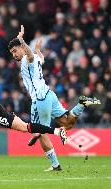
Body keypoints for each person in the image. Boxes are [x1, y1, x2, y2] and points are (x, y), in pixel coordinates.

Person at [8, 25, 101, 171]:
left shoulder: (27, 59)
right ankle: (81, 104)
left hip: (40, 99)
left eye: (15, 51)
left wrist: (22, 40)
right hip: (49, 95)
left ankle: (55, 165)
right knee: (68, 122)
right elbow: (42, 60)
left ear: (21, 48)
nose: (14, 55)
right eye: (11, 53)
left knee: (40, 132)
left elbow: (30, 55)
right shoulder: (36, 57)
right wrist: (39, 50)